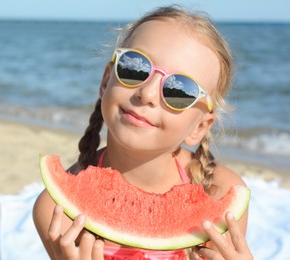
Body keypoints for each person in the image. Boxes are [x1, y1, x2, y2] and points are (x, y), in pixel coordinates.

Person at [33, 5, 252, 260]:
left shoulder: (220, 194)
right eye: (134, 68)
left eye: (179, 91)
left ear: (199, 127)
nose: (146, 94)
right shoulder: (55, 210)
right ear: (106, 81)